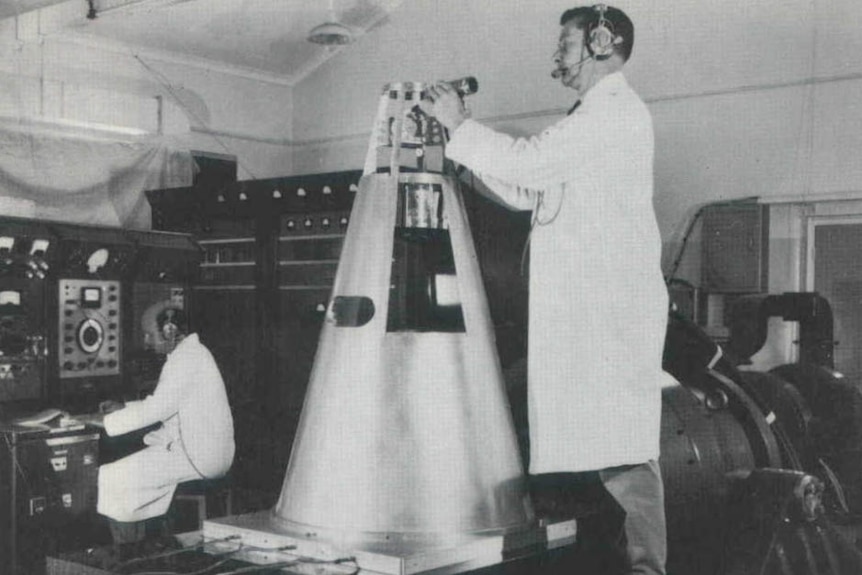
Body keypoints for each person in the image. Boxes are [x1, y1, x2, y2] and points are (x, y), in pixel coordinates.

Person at [423, 5, 668, 574]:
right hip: (588, 317)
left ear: (602, 42)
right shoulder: (589, 119)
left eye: (566, 43)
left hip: (610, 317)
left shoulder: (613, 114)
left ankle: (648, 569)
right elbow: (529, 193)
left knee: (626, 459)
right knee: (603, 451)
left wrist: (459, 125)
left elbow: (532, 164)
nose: (556, 54)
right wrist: (462, 163)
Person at [82, 328, 235, 543]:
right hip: (194, 449)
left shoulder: (186, 359)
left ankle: (128, 553)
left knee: (112, 476)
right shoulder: (191, 353)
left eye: (149, 335)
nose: (146, 341)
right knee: (124, 474)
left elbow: (158, 408)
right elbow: (168, 401)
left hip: (196, 456)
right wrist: (124, 407)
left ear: (169, 331)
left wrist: (103, 420)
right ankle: (140, 547)